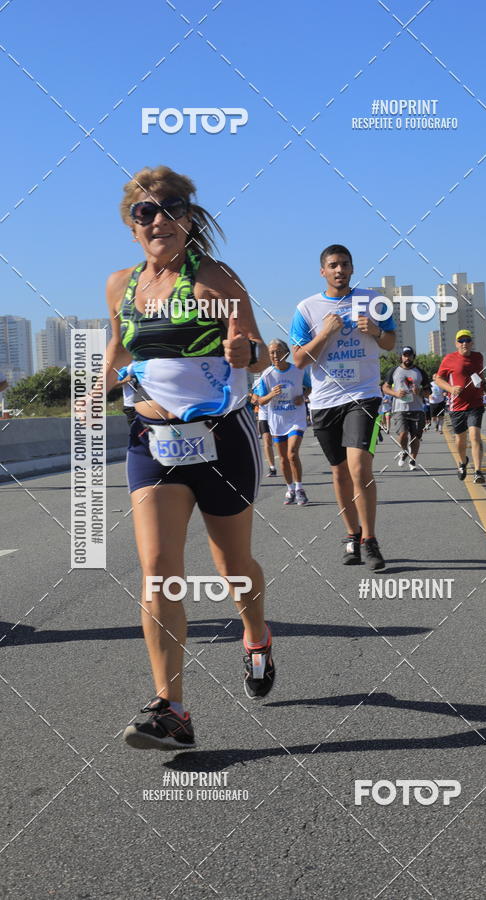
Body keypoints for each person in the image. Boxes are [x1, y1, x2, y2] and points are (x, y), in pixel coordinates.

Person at [102, 165, 274, 751]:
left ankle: (255, 632)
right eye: (145, 212)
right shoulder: (121, 285)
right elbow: (120, 346)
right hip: (152, 443)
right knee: (158, 570)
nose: (158, 221)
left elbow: (258, 351)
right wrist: (97, 386)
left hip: (222, 439)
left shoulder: (214, 279)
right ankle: (171, 708)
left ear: (188, 220)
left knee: (233, 567)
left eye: (171, 209)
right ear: (132, 226)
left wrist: (243, 349)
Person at [290, 244, 395, 570]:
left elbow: (390, 341)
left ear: (352, 268)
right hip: (324, 401)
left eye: (345, 264)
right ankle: (352, 534)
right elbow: (297, 359)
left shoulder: (373, 301)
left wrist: (376, 331)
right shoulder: (307, 308)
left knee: (359, 467)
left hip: (363, 396)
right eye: (333, 265)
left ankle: (371, 539)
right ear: (323, 271)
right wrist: (325, 333)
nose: (339, 270)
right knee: (339, 473)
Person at [253, 339, 311, 505]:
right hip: (278, 421)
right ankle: (290, 489)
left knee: (292, 453)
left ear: (286, 352)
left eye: (278, 351)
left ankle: (299, 489)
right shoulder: (266, 375)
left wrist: (303, 396)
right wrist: (271, 394)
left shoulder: (298, 370)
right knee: (283, 459)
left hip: (296, 418)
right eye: (272, 352)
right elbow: (260, 401)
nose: (275, 355)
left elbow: (309, 387)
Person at [434, 329, 486, 484]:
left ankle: (478, 471)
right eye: (461, 340)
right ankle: (462, 461)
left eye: (467, 340)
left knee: (475, 436)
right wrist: (451, 389)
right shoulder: (449, 359)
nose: (464, 343)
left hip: (475, 403)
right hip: (457, 405)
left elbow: (481, 377)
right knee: (460, 440)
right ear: (456, 343)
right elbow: (439, 379)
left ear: (471, 342)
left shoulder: (478, 357)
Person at [382, 346, 430, 471]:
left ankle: (412, 460)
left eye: (409, 355)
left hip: (417, 409)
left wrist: (419, 391)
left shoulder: (420, 372)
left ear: (413, 356)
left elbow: (428, 392)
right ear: (401, 356)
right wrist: (396, 394)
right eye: (405, 355)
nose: (407, 357)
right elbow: (385, 387)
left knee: (415, 437)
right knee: (403, 434)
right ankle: (404, 451)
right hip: (399, 408)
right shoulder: (394, 371)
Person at [251, 383, 277, 477]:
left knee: (279, 442)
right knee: (266, 440)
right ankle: (272, 467)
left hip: (277, 413)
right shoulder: (258, 382)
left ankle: (286, 462)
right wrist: (255, 400)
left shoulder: (277, 378)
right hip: (264, 415)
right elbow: (253, 399)